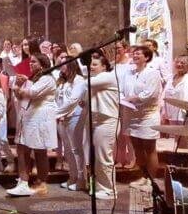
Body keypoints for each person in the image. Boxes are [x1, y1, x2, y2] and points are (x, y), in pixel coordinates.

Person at [7, 53, 57, 197]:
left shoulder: (47, 79)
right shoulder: (33, 78)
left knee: (38, 151)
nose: (30, 64)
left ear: (43, 64)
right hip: (29, 117)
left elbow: (32, 93)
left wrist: (20, 86)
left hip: (39, 119)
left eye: (34, 62)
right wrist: (18, 85)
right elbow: (20, 96)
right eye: (30, 62)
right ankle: (26, 182)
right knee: (24, 148)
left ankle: (38, 182)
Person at [82, 51, 120, 200]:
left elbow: (86, 84)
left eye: (95, 64)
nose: (91, 67)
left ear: (104, 66)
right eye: (90, 64)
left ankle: (110, 190)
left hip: (107, 121)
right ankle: (100, 186)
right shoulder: (98, 78)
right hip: (97, 120)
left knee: (104, 157)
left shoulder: (107, 76)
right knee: (97, 157)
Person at [124, 46, 162, 180]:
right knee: (137, 148)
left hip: (148, 115)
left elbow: (151, 93)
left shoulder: (152, 73)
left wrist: (133, 98)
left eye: (138, 54)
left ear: (146, 57)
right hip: (133, 115)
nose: (135, 56)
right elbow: (125, 90)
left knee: (149, 148)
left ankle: (152, 180)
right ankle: (143, 176)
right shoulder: (130, 73)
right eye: (133, 54)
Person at [55, 53, 86, 191]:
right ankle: (72, 176)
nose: (61, 65)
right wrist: (58, 113)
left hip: (74, 117)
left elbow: (73, 100)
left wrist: (57, 113)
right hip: (61, 118)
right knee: (67, 150)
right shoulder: (61, 81)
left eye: (64, 62)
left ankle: (81, 179)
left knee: (76, 149)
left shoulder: (79, 80)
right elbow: (57, 99)